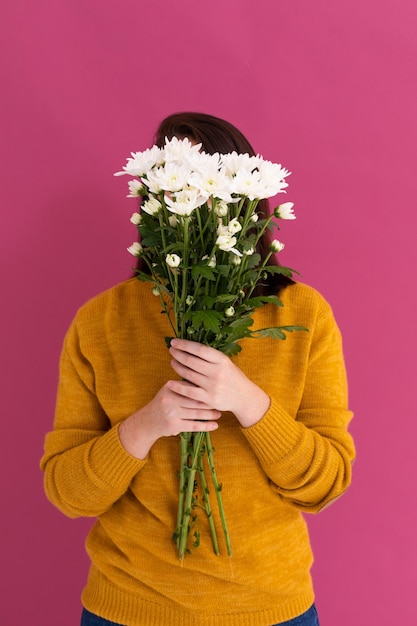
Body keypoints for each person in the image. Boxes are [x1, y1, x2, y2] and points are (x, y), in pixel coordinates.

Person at [40, 112, 355, 626]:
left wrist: (249, 403)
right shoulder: (100, 321)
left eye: (212, 178)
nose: (196, 193)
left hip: (270, 609)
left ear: (248, 193)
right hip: (128, 608)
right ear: (153, 196)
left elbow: (326, 482)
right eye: (176, 176)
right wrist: (146, 426)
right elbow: (69, 494)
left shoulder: (303, 315)